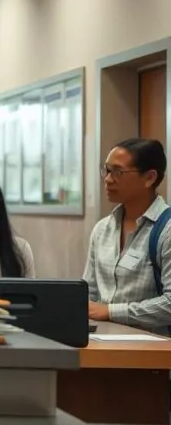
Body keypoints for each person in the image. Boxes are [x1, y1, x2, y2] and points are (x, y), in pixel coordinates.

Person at [85, 138, 171, 332]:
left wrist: (111, 311)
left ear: (149, 178)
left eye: (117, 172)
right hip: (102, 344)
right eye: (106, 170)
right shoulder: (102, 229)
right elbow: (88, 293)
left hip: (152, 352)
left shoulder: (166, 230)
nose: (107, 179)